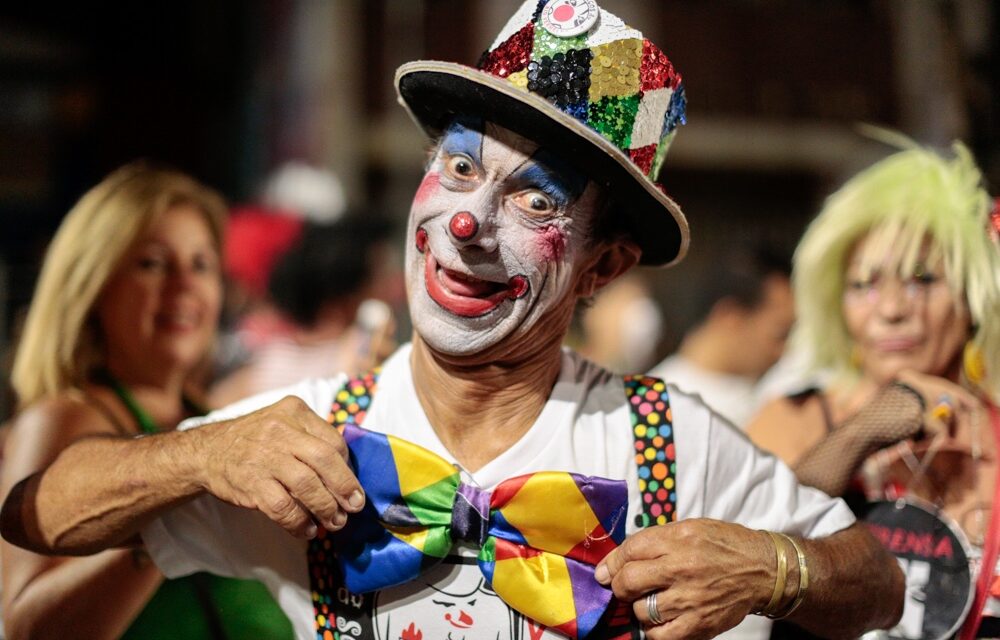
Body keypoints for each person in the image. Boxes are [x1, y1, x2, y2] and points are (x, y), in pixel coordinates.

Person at [1, 4, 904, 639]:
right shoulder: (309, 439)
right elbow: (35, 513)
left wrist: (778, 573)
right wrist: (200, 453)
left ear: (605, 264)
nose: (467, 223)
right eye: (461, 168)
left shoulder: (672, 440)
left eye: (536, 201)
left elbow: (880, 587)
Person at [0, 163, 293, 639]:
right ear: (94, 284)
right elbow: (25, 626)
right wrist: (166, 518)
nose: (184, 287)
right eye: (153, 263)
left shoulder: (206, 415)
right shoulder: (65, 414)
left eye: (201, 265)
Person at [747, 140, 1000, 638]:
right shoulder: (799, 416)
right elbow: (747, 546)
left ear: (973, 294)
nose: (890, 310)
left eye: (921, 280)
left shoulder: (993, 429)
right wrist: (868, 428)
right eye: (862, 285)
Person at [210, 214, 398, 406]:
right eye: (380, 278)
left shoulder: (268, 361)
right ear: (340, 302)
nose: (394, 287)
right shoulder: (358, 359)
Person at [649, 247, 795, 428]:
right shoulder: (656, 409)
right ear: (730, 317)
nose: (784, 350)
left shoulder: (772, 395)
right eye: (781, 333)